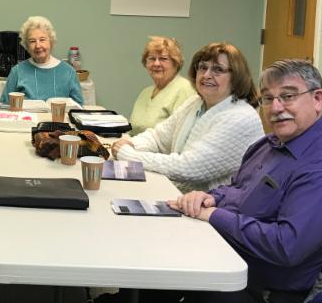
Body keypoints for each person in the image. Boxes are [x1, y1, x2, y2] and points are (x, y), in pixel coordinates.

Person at [129, 59, 322, 303]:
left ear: (317, 99)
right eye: (268, 98)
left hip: (269, 297)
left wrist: (215, 215)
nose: (276, 107)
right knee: (150, 286)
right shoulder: (270, 145)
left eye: (288, 96)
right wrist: (210, 197)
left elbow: (286, 247)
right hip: (231, 260)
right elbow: (237, 189)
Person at [112, 42, 263, 193]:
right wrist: (131, 144)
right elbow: (158, 138)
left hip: (214, 205)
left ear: (236, 77)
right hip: (178, 195)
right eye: (203, 67)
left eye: (218, 70)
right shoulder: (195, 103)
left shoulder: (240, 118)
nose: (206, 75)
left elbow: (188, 167)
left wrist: (129, 155)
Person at [0, 15, 83, 105]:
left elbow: (78, 106)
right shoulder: (17, 72)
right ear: (26, 46)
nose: (38, 46)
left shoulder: (68, 72)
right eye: (32, 41)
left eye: (42, 40)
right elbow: (4, 105)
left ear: (51, 41)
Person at [129, 36, 196, 135]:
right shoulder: (145, 92)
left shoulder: (185, 89)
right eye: (152, 58)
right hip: (135, 144)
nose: (156, 64)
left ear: (175, 63)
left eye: (163, 59)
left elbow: (180, 135)